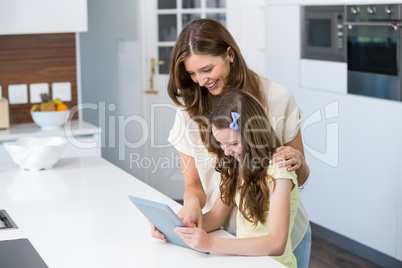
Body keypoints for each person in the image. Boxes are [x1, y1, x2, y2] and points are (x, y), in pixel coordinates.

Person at [153, 18, 311, 267]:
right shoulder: (189, 113)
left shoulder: (277, 97)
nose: (201, 81)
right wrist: (182, 222)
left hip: (283, 241)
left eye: (207, 69)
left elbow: (298, 177)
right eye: (192, 73)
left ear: (230, 54)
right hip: (222, 236)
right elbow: (194, 187)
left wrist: (298, 160)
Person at [175, 90, 304, 267]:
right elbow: (216, 217)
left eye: (233, 144)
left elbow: (276, 243)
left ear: (253, 135)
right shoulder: (238, 166)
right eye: (221, 144)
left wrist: (211, 244)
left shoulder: (279, 170)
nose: (226, 151)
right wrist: (177, 230)